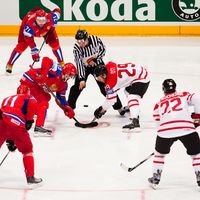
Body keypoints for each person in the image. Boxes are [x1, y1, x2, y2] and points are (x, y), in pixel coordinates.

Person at [148, 79, 200, 189]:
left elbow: (158, 124)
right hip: (187, 129)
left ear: (163, 89)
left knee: (159, 154)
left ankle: (156, 178)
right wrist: (197, 117)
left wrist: (169, 136)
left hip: (165, 132)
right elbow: (197, 98)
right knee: (196, 154)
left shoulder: (158, 104)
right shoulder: (184, 95)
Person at [68, 30, 125, 115]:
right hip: (84, 67)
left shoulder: (95, 39)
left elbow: (103, 50)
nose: (80, 43)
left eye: (82, 41)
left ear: (86, 38)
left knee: (106, 87)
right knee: (76, 87)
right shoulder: (77, 48)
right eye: (78, 41)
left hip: (97, 65)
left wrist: (96, 59)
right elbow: (79, 63)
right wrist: (81, 79)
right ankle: (69, 108)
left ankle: (119, 107)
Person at [19, 56, 76, 136]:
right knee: (24, 101)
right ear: (66, 70)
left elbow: (60, 98)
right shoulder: (57, 69)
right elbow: (46, 59)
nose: (70, 77)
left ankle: (34, 113)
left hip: (37, 87)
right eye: (70, 74)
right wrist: (43, 74)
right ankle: (19, 119)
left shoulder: (63, 85)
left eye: (71, 76)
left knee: (46, 98)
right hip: (29, 80)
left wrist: (66, 108)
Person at [0, 85, 43, 187]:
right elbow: (31, 106)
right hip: (16, 122)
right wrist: (29, 120)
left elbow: (6, 117)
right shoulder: (30, 97)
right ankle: (31, 178)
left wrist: (10, 140)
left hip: (1, 120)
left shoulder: (7, 98)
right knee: (27, 150)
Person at [93, 62, 150, 130]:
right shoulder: (109, 65)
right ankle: (131, 108)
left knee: (132, 97)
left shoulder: (110, 83)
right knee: (127, 91)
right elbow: (112, 64)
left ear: (104, 75)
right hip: (139, 72)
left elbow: (111, 100)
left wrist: (101, 110)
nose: (99, 80)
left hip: (142, 78)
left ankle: (135, 122)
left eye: (99, 78)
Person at [6, 7, 64, 74]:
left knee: (55, 44)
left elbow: (57, 10)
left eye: (43, 19)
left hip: (46, 30)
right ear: (35, 19)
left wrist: (54, 23)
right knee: (22, 46)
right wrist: (34, 50)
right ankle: (9, 64)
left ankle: (61, 63)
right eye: (39, 20)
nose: (41, 22)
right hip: (27, 30)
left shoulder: (51, 18)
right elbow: (28, 38)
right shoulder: (29, 24)